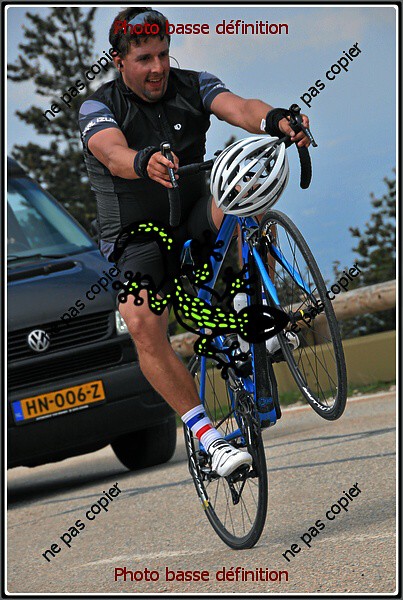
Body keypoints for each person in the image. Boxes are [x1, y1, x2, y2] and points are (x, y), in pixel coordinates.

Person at [78, 7, 310, 477]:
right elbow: (112, 152)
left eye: (163, 54)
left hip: (192, 215)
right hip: (137, 238)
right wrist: (141, 162)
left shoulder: (193, 84)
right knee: (140, 320)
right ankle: (208, 437)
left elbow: (240, 108)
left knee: (245, 187)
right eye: (144, 58)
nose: (158, 67)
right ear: (119, 62)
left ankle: (250, 308)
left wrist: (276, 119)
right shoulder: (98, 107)